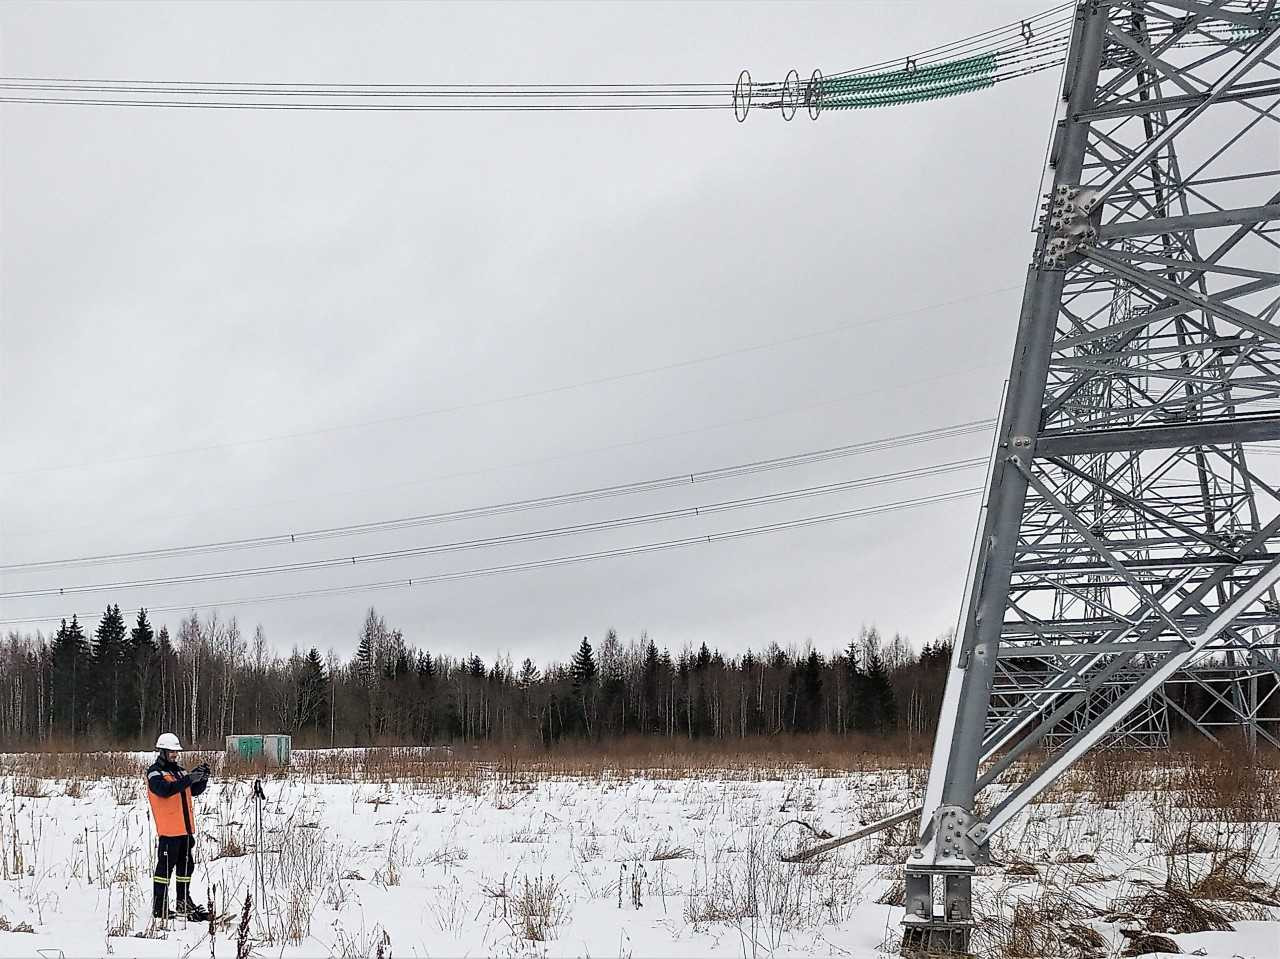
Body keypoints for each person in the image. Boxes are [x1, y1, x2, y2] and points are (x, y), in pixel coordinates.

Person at [146, 733, 212, 921]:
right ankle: (160, 907)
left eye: (176, 751)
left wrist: (202, 778)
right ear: (163, 751)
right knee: (164, 870)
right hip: (169, 831)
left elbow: (193, 791)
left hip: (185, 830)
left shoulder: (180, 772)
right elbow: (165, 791)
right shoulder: (155, 773)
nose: (175, 755)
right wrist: (189, 778)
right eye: (172, 751)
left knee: (186, 867)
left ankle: (183, 901)